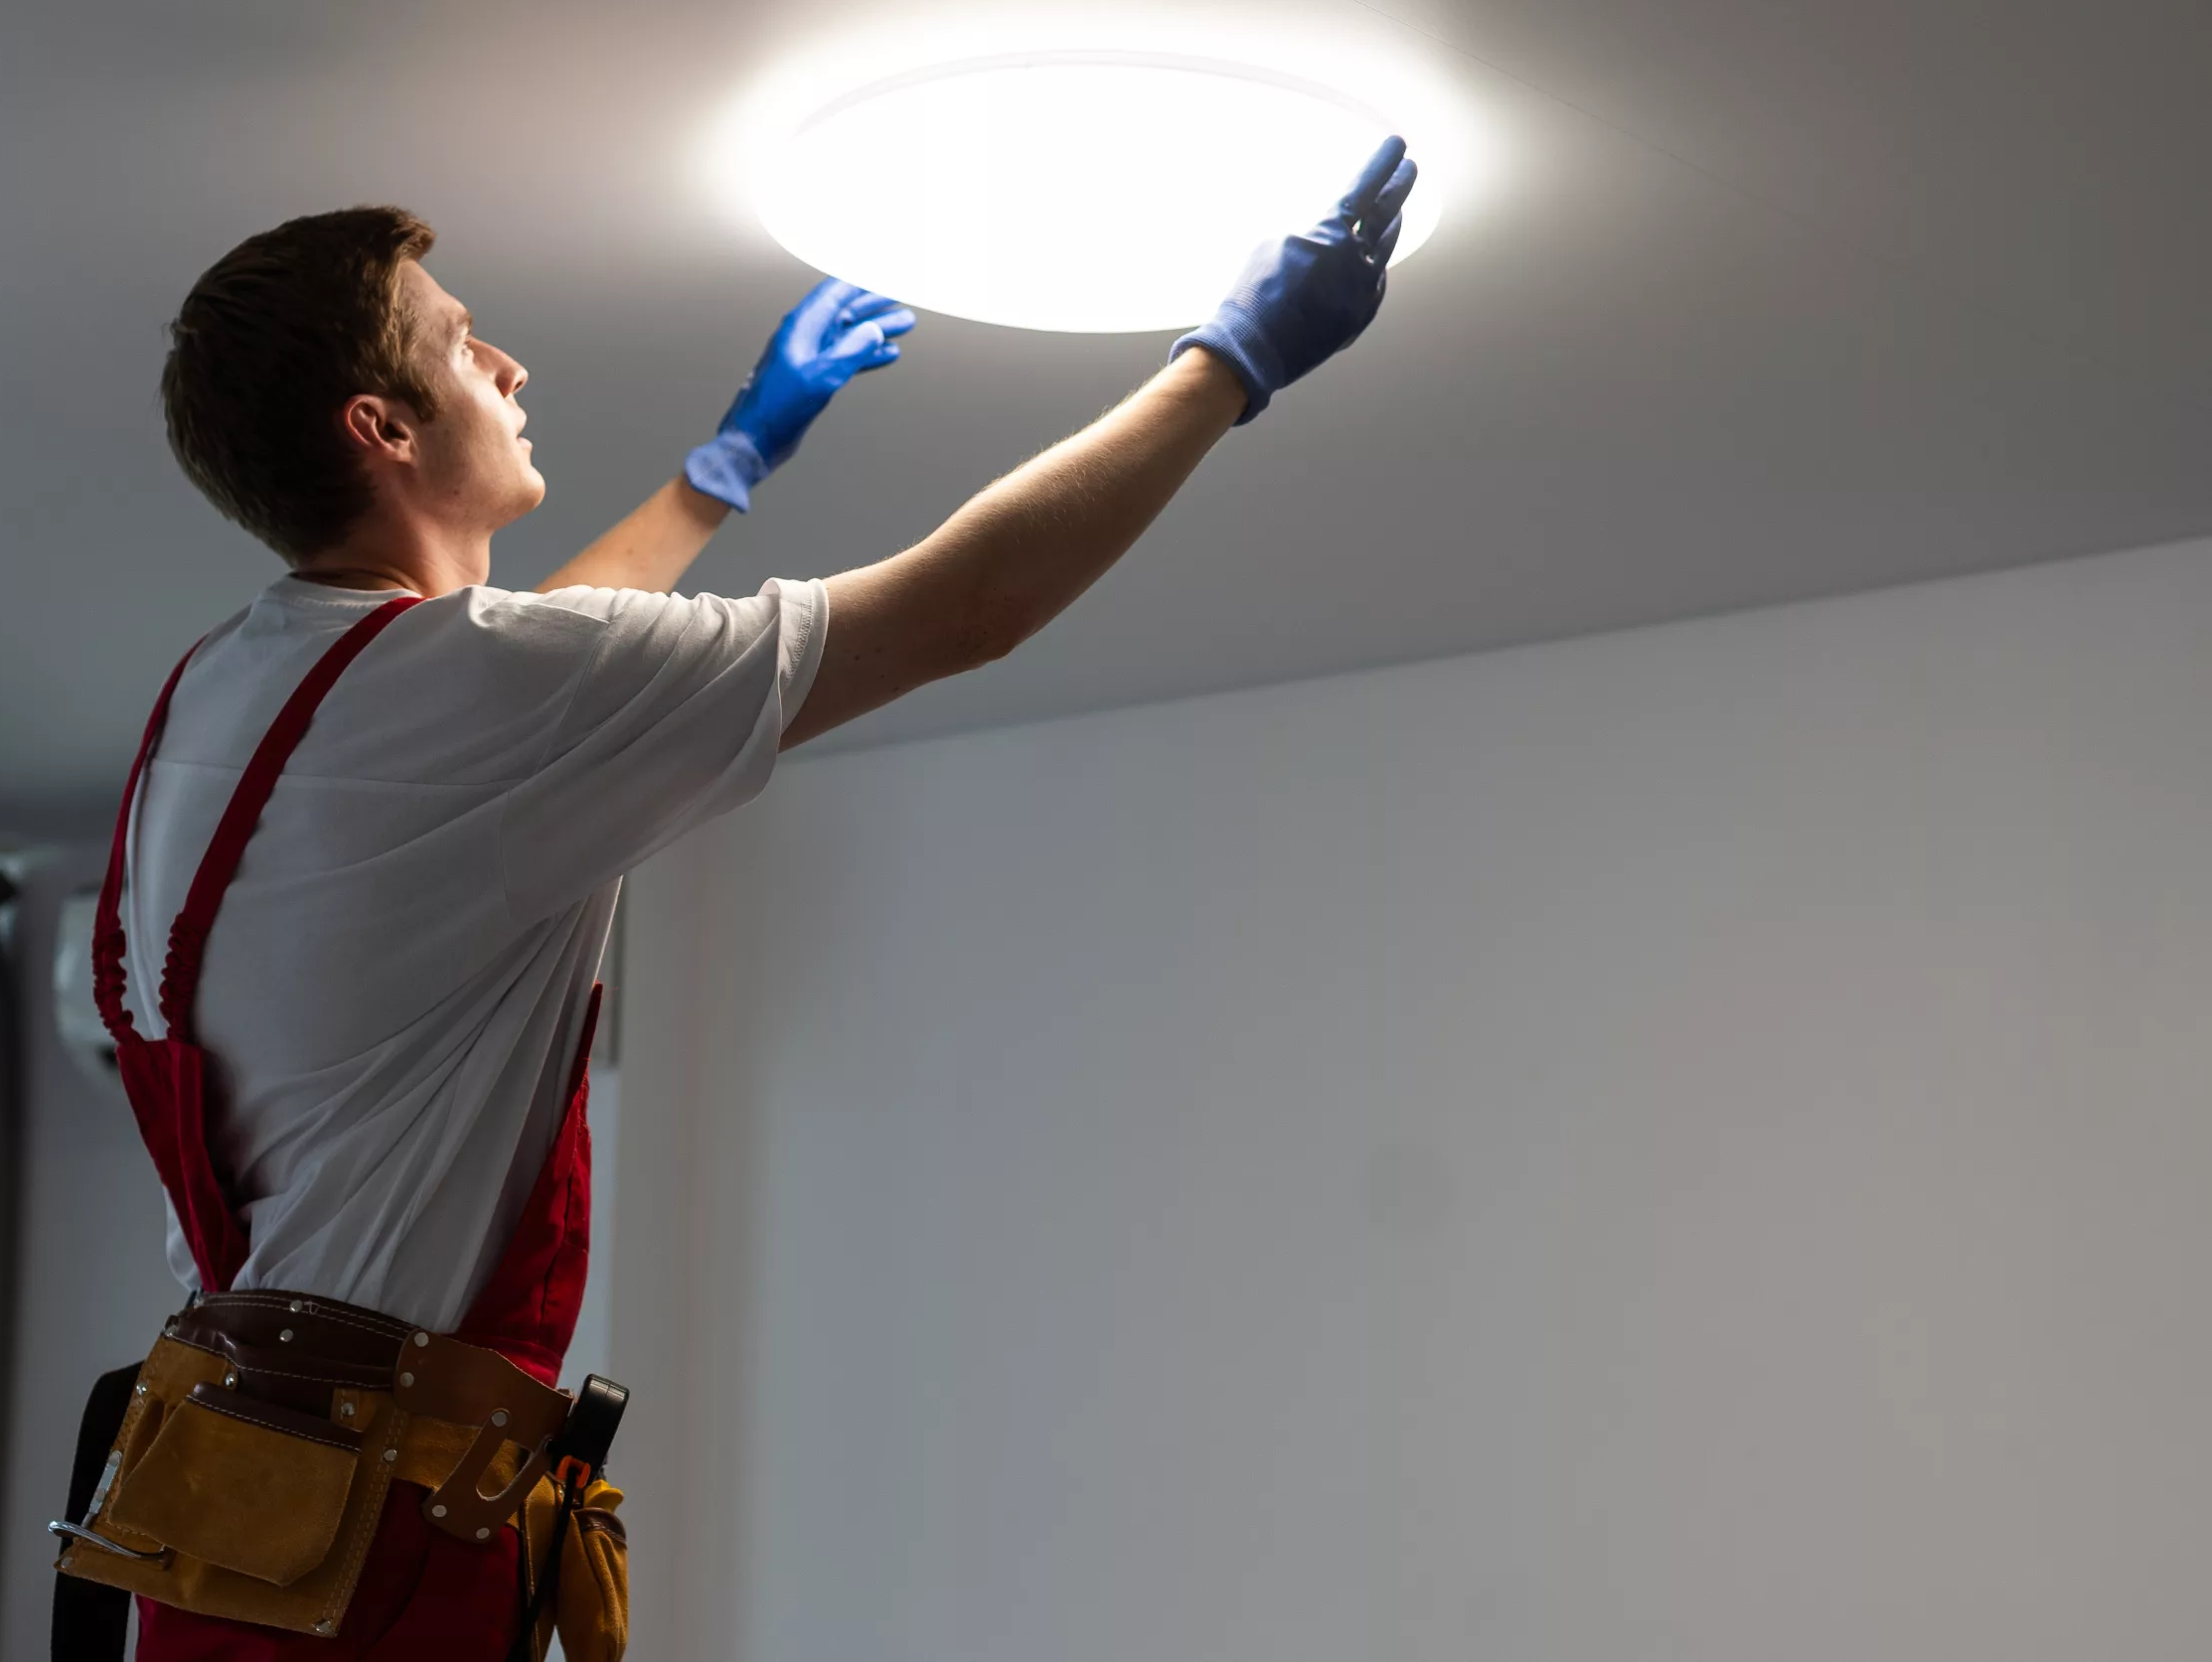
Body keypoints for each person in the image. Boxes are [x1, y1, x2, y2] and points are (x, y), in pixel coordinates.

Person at [78, 136, 1418, 1659]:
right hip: (370, 1547)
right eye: (461, 341)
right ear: (381, 426)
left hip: (237, 1517)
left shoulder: (233, 691)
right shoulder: (471, 694)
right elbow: (960, 607)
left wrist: (730, 464)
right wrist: (1226, 363)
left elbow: (523, 681)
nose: (507, 362)